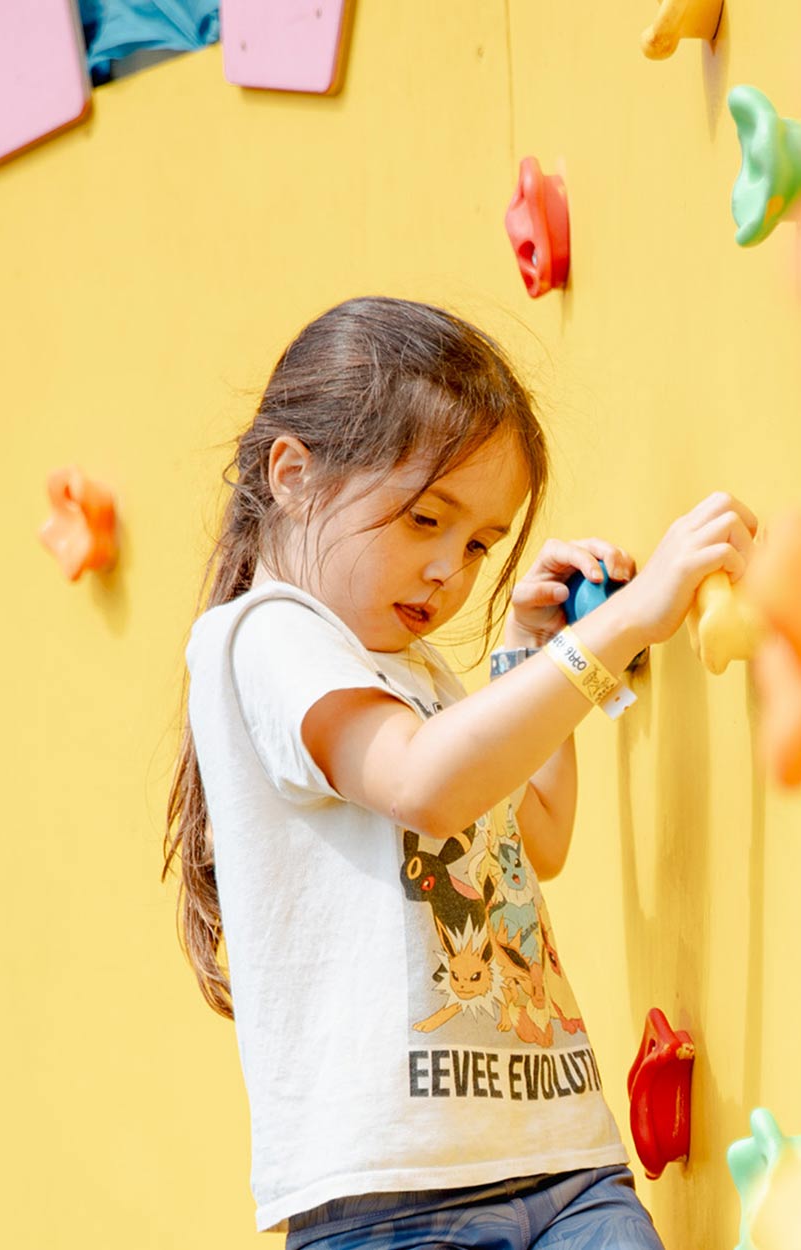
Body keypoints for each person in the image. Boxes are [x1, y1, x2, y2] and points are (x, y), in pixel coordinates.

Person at [163, 295, 757, 1246]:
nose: (451, 570)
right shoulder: (264, 637)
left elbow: (540, 838)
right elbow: (426, 783)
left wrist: (526, 653)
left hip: (560, 1156)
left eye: (479, 543)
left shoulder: (421, 673)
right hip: (393, 1194)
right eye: (425, 519)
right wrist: (629, 621)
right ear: (292, 474)